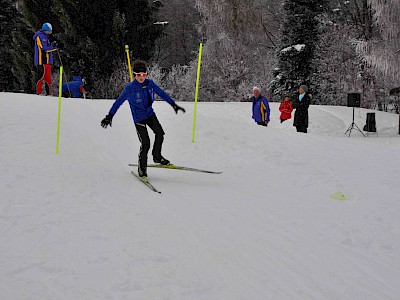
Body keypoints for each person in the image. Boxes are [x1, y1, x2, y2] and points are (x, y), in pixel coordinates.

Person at [100, 60, 185, 177]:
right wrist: (109, 116)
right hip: (139, 119)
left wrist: (173, 104)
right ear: (135, 74)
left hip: (150, 114)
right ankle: (142, 168)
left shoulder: (150, 83)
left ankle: (157, 156)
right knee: (146, 143)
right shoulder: (130, 88)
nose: (141, 77)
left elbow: (162, 93)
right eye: (139, 75)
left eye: (144, 75)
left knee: (160, 134)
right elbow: (118, 102)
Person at [33, 22, 58, 95]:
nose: (50, 32)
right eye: (49, 30)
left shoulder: (46, 37)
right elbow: (44, 49)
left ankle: (49, 93)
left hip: (47, 61)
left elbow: (47, 47)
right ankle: (39, 92)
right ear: (45, 30)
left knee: (48, 78)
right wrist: (54, 48)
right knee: (41, 77)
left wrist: (53, 45)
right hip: (41, 61)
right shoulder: (40, 36)